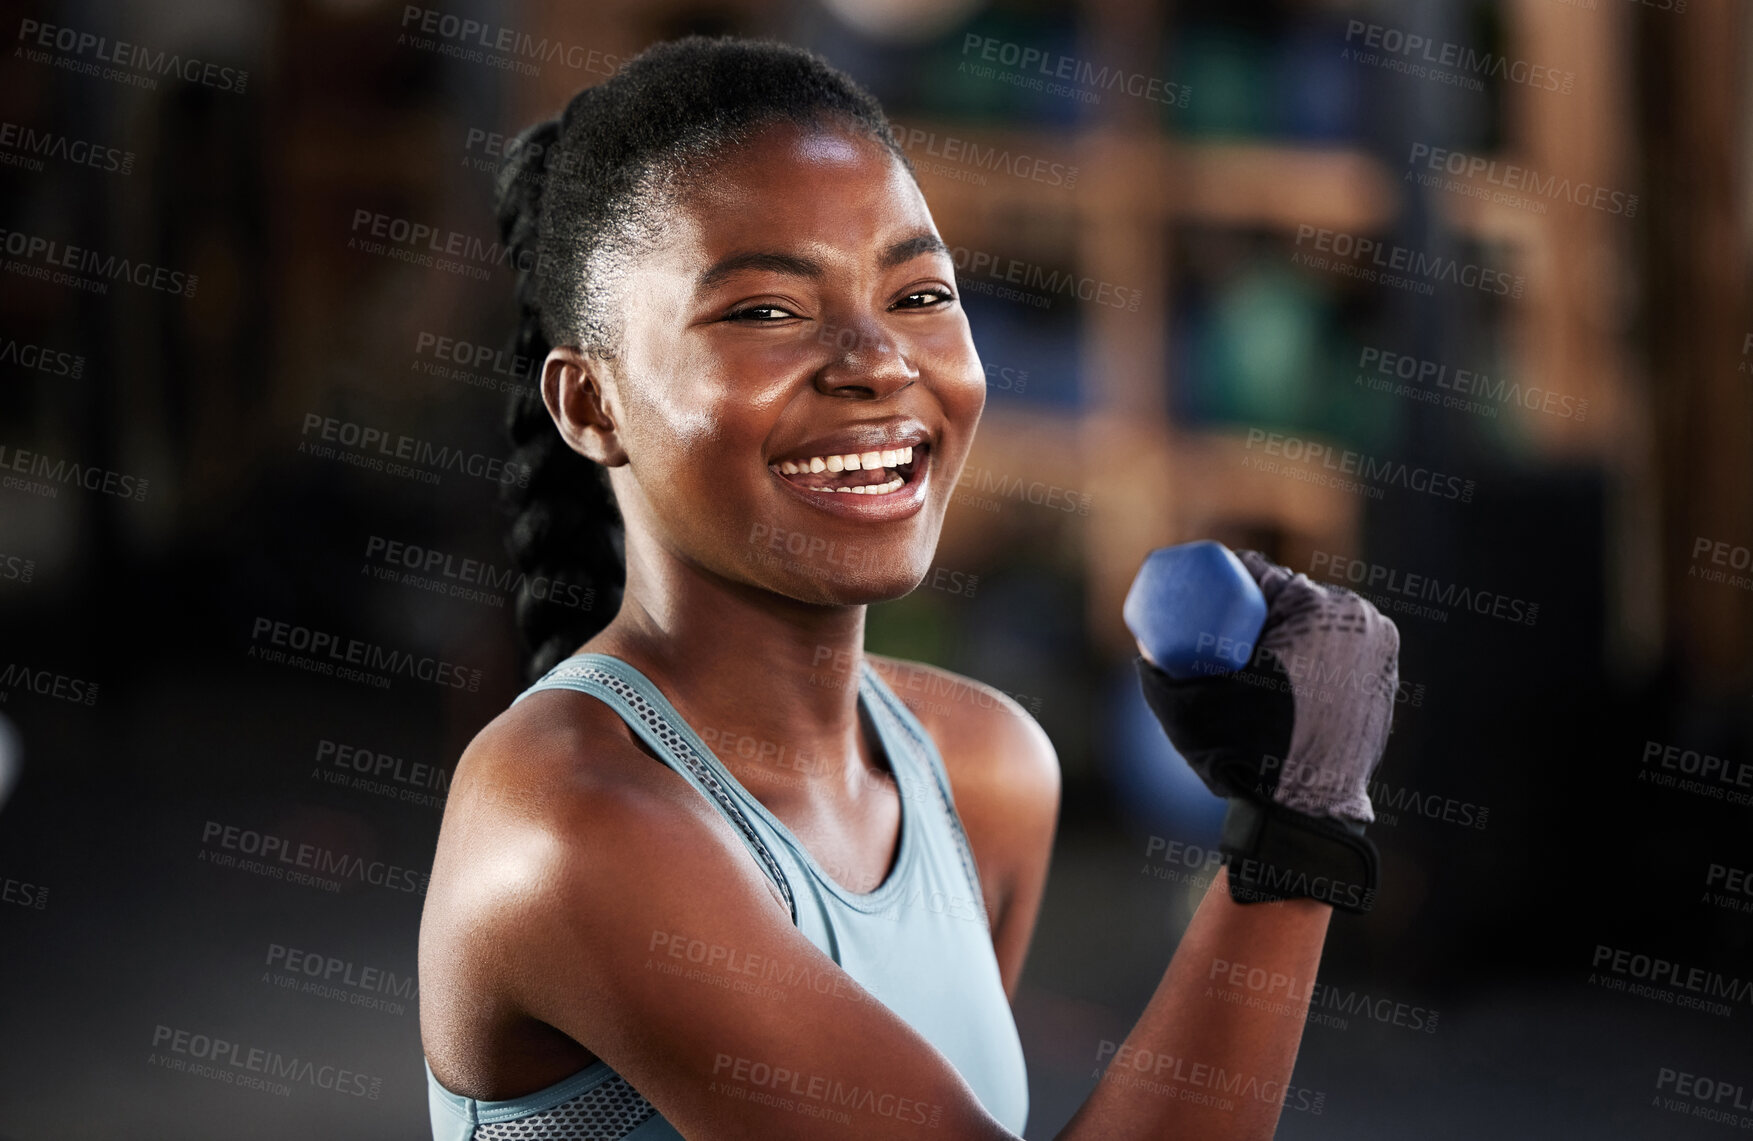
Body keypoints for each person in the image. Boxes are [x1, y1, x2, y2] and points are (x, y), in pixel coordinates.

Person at [418, 34, 1399, 1141]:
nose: (877, 359)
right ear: (589, 405)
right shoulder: (564, 826)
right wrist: (1300, 830)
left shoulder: (986, 769)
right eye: (764, 312)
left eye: (919, 291)